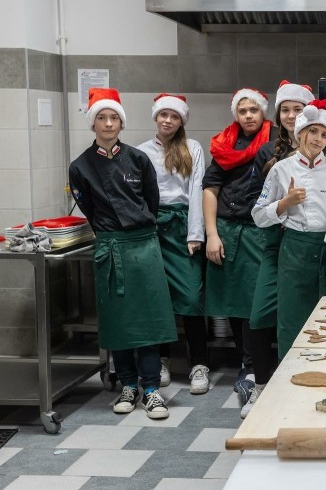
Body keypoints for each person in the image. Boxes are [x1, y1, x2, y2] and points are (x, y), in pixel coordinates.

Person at [69, 87, 176, 420]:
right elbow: (87, 207)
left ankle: (151, 389)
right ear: (93, 124)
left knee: (148, 320)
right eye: (101, 117)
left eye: (113, 117)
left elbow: (151, 200)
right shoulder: (80, 166)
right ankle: (128, 384)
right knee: (118, 321)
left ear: (121, 123)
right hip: (110, 247)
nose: (108, 123)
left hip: (143, 245)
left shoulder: (138, 159)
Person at [250, 100, 326, 417]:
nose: (317, 138)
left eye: (323, 134)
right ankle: (287, 395)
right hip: (293, 250)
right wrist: (285, 202)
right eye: (311, 131)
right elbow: (258, 216)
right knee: (292, 323)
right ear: (299, 133)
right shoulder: (281, 169)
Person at [245, 80, 314, 417]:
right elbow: (257, 207)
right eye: (285, 110)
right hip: (275, 244)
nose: (290, 115)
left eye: (297, 109)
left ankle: (299, 386)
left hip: (310, 250)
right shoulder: (265, 153)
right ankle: (260, 385)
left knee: (306, 320)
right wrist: (283, 205)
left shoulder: (324, 152)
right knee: (260, 316)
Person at [202, 87, 275, 405]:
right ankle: (245, 365)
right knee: (232, 301)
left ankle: (253, 365)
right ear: (236, 114)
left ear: (263, 112)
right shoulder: (224, 145)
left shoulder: (275, 143)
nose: (248, 115)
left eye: (253, 110)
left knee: (253, 303)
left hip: (259, 231)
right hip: (229, 231)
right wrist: (211, 233)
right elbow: (210, 188)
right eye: (243, 110)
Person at [138, 94, 210, 395]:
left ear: (181, 121)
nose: (168, 120)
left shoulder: (191, 148)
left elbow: (197, 192)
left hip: (183, 228)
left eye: (174, 116)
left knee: (192, 298)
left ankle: (199, 363)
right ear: (156, 117)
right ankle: (162, 361)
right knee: (159, 298)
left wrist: (196, 234)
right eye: (163, 115)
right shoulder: (140, 152)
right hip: (152, 227)